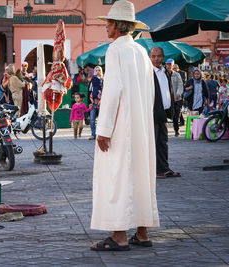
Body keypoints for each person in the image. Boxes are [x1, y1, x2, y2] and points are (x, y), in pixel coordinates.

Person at [91, 0, 159, 251]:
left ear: (117, 26)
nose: (106, 26)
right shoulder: (142, 51)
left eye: (108, 22)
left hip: (121, 124)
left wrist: (104, 129)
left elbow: (111, 92)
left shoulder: (115, 50)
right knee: (140, 176)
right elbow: (150, 92)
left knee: (117, 176)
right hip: (140, 124)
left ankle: (119, 235)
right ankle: (142, 233)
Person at [150, 47, 181, 179]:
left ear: (163, 57)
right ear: (150, 57)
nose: (156, 59)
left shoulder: (165, 72)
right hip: (153, 112)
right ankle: (156, 170)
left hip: (164, 111)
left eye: (158, 56)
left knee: (163, 141)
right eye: (153, 56)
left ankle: (164, 168)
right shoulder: (148, 73)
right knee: (154, 142)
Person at [165, 59, 183, 137]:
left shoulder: (177, 75)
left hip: (176, 99)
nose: (169, 66)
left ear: (173, 65)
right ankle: (164, 131)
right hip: (167, 99)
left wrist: (178, 93)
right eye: (167, 64)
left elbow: (180, 85)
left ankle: (176, 130)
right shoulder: (163, 75)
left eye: (170, 64)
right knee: (165, 115)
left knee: (176, 116)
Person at [88, 66, 103, 140]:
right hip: (93, 102)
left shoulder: (103, 81)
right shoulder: (93, 80)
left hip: (101, 102)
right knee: (92, 119)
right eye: (96, 70)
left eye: (99, 70)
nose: (97, 71)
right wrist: (91, 101)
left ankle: (100, 134)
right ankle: (93, 134)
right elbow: (90, 91)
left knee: (101, 120)